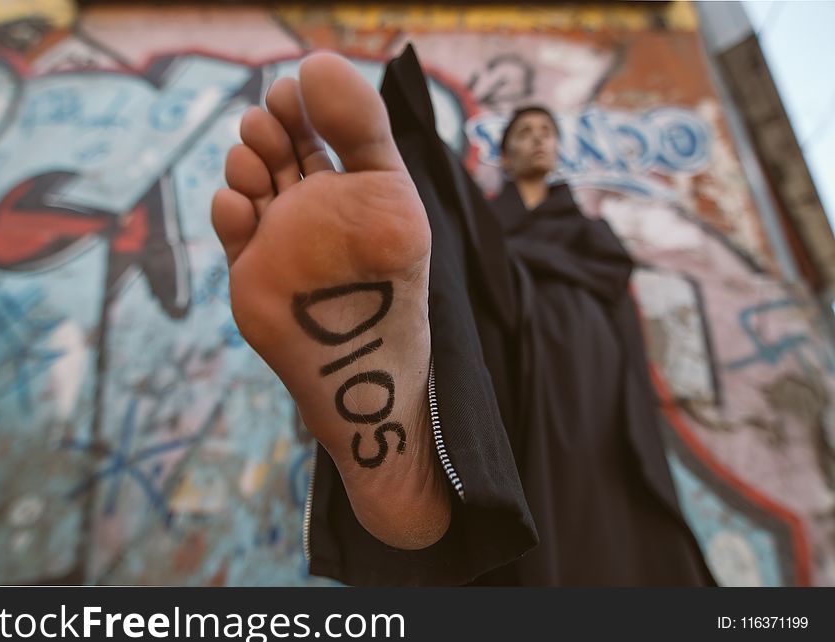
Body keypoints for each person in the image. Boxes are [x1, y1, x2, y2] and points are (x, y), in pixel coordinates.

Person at [211, 44, 717, 586]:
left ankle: (436, 445)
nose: (537, 140)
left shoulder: (587, 228)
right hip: (507, 360)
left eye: (546, 132)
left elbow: (615, 293)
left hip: (583, 373)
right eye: (523, 134)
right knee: (435, 202)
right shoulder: (489, 224)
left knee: (586, 498)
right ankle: (428, 431)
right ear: (505, 153)